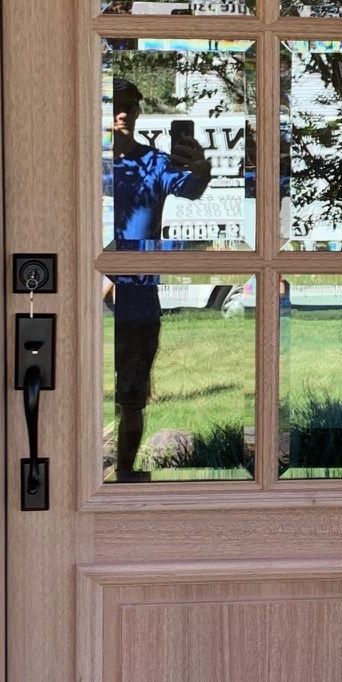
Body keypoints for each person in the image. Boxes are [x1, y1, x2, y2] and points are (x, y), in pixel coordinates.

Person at [107, 76, 211, 480]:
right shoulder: (80, 159)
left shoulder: (152, 163)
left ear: (137, 111)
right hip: (82, 291)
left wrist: (201, 167)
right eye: (113, 102)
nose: (121, 111)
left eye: (129, 104)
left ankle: (125, 473)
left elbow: (191, 189)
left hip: (138, 295)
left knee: (132, 396)